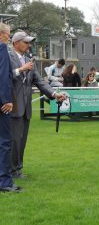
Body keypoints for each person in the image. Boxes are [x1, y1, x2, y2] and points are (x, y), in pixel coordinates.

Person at [9, 31, 65, 179]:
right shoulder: (7, 57)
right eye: (25, 42)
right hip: (12, 107)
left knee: (21, 141)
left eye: (29, 42)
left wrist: (54, 94)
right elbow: (5, 76)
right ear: (15, 43)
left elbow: (40, 82)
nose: (28, 45)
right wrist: (20, 69)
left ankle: (17, 169)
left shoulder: (30, 61)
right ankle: (10, 170)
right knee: (13, 141)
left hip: (25, 109)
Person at [0, 23, 21, 192]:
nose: (9, 36)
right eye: (8, 33)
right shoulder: (2, 50)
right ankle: (5, 182)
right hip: (2, 105)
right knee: (5, 142)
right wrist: (6, 100)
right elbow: (3, 77)